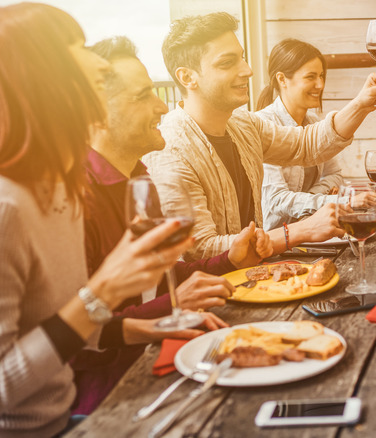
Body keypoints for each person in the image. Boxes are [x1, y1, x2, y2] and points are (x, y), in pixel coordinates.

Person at [0, 4, 190, 436]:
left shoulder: (64, 189)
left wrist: (150, 326)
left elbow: (64, 329)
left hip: (65, 416)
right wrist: (101, 292)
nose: (98, 60)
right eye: (78, 46)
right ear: (45, 77)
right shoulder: (8, 206)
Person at [69, 36, 274, 415]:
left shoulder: (138, 179)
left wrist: (228, 260)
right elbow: (78, 334)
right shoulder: (76, 199)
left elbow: (157, 279)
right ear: (96, 112)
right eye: (143, 94)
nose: (162, 104)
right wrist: (173, 306)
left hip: (161, 367)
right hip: (107, 404)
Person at [143, 12, 376, 261]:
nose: (247, 70)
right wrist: (300, 230)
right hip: (214, 296)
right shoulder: (171, 150)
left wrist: (362, 104)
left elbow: (306, 145)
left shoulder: (242, 124)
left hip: (255, 276)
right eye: (227, 62)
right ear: (187, 77)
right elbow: (201, 249)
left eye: (241, 58)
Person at [255, 39, 344, 231]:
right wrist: (338, 201)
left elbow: (335, 174)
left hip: (309, 231)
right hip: (274, 241)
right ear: (282, 79)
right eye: (311, 77)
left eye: (321, 76)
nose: (320, 84)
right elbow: (276, 200)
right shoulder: (262, 126)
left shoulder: (313, 121)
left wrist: (313, 195)